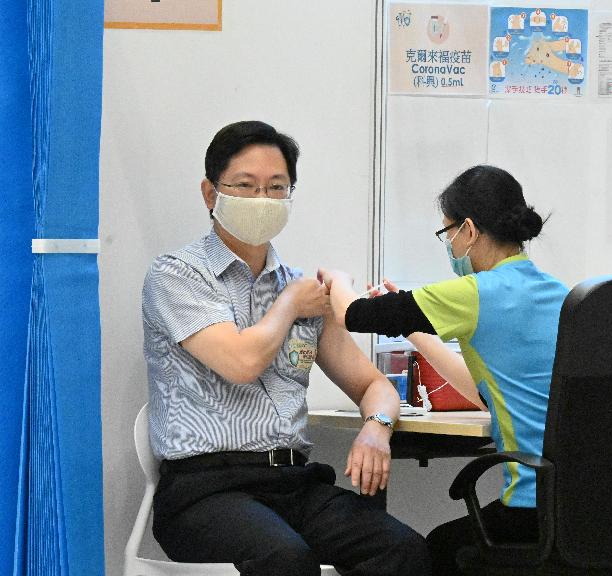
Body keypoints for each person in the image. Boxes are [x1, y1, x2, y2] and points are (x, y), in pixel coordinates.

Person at [141, 120, 431, 576]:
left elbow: (373, 385)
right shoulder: (178, 275)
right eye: (245, 186)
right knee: (287, 559)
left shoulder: (305, 292)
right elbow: (241, 361)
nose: (263, 199)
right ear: (210, 193)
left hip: (293, 482)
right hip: (205, 490)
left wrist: (377, 427)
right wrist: (291, 302)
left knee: (402, 549)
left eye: (277, 187)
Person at [320, 165, 569, 576]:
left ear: (468, 230)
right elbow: (483, 390)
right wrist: (416, 329)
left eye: (447, 231)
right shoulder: (559, 292)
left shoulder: (476, 292)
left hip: (532, 508)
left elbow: (355, 314)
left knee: (433, 552)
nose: (449, 244)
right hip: (582, 509)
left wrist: (337, 279)